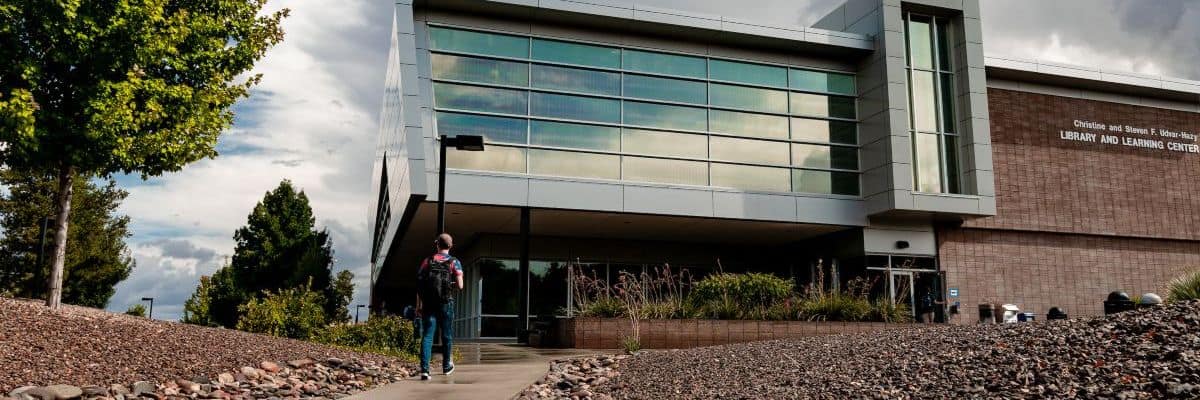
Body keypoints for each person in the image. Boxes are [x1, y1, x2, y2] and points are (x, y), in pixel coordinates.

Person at [416, 233, 464, 380]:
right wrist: (450, 284)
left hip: (429, 303)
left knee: (428, 336)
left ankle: (425, 370)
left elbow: (420, 285)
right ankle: (446, 367)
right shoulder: (454, 262)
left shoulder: (428, 261)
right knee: (447, 335)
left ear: (437, 245)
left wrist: (419, 305)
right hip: (446, 302)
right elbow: (461, 286)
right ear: (451, 246)